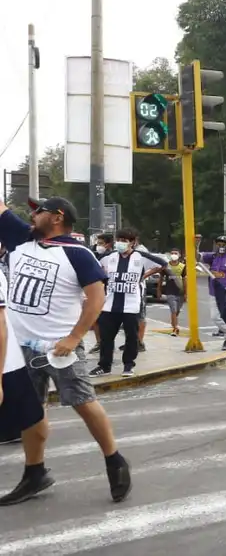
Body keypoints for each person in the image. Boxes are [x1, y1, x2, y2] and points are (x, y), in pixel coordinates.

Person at [0, 196, 131, 505]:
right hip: (22, 349)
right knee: (31, 413)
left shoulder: (78, 253)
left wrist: (74, 337)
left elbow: (96, 298)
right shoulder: (21, 239)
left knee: (83, 403)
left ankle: (115, 461)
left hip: (59, 347)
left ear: (57, 217)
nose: (32, 215)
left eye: (39, 211)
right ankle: (35, 473)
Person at [94, 229, 167, 377]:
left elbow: (162, 264)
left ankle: (128, 365)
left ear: (133, 242)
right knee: (106, 337)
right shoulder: (108, 257)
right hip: (110, 305)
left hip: (131, 305)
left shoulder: (141, 257)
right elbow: (96, 265)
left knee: (131, 338)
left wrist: (144, 275)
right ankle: (104, 366)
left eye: (125, 240)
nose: (121, 243)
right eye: (119, 240)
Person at [0, 266, 46, 487]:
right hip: (11, 362)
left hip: (7, 365)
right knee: (31, 415)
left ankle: (36, 471)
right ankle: (36, 472)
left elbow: (0, 326)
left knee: (31, 416)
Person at [201, 235, 226, 349]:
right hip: (214, 292)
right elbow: (197, 257)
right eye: (218, 244)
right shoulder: (212, 257)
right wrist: (196, 245)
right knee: (215, 317)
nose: (221, 247)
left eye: (223, 244)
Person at [159, 247, 187, 337]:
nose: (174, 255)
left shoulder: (183, 266)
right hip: (170, 291)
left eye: (176, 253)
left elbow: (185, 280)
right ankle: (175, 328)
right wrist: (158, 290)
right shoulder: (166, 266)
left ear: (179, 255)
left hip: (180, 292)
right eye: (172, 253)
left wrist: (186, 293)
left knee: (177, 311)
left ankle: (173, 322)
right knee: (174, 310)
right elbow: (160, 279)